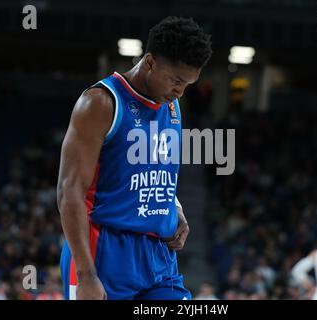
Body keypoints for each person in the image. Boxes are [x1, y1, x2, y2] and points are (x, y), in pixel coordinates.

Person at [58, 16, 212, 300]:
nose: (180, 91)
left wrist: (173, 207)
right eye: (176, 80)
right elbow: (70, 190)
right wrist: (86, 275)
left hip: (158, 257)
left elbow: (153, 168)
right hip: (104, 250)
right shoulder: (100, 103)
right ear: (150, 62)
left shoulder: (173, 104)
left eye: (188, 84)